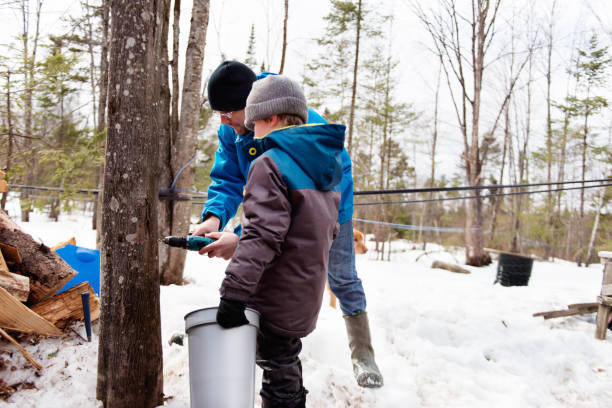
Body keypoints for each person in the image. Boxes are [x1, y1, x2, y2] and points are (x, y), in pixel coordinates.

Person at [193, 60, 384, 388]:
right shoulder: (234, 126)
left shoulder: (300, 122)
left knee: (341, 276)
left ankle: (362, 353)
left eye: (229, 112)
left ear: (259, 113)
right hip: (276, 215)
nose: (223, 121)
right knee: (269, 274)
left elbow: (289, 217)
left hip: (327, 206)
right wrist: (213, 217)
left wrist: (239, 239)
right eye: (218, 113)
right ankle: (256, 341)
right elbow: (228, 178)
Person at [215, 74, 344, 407]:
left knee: (276, 366)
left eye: (255, 121)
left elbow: (261, 236)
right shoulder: (323, 166)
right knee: (284, 360)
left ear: (270, 118)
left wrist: (233, 292)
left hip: (275, 294)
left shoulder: (269, 164)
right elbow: (326, 229)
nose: (252, 131)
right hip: (305, 291)